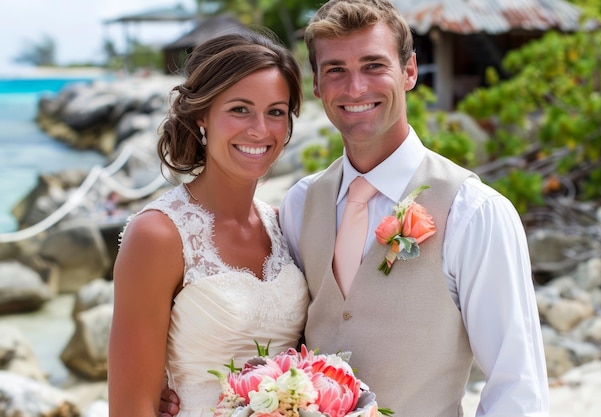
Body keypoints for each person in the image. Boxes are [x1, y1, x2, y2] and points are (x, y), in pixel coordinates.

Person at [160, 0, 550, 416]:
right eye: (336, 71)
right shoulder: (298, 204)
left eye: (373, 65)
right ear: (316, 85)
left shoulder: (474, 212)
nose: (355, 88)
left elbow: (517, 388)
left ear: (410, 71)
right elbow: (273, 338)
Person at [108, 30, 308, 417]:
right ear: (202, 114)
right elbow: (130, 407)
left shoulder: (284, 226)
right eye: (239, 109)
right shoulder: (158, 235)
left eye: (276, 112)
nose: (260, 129)